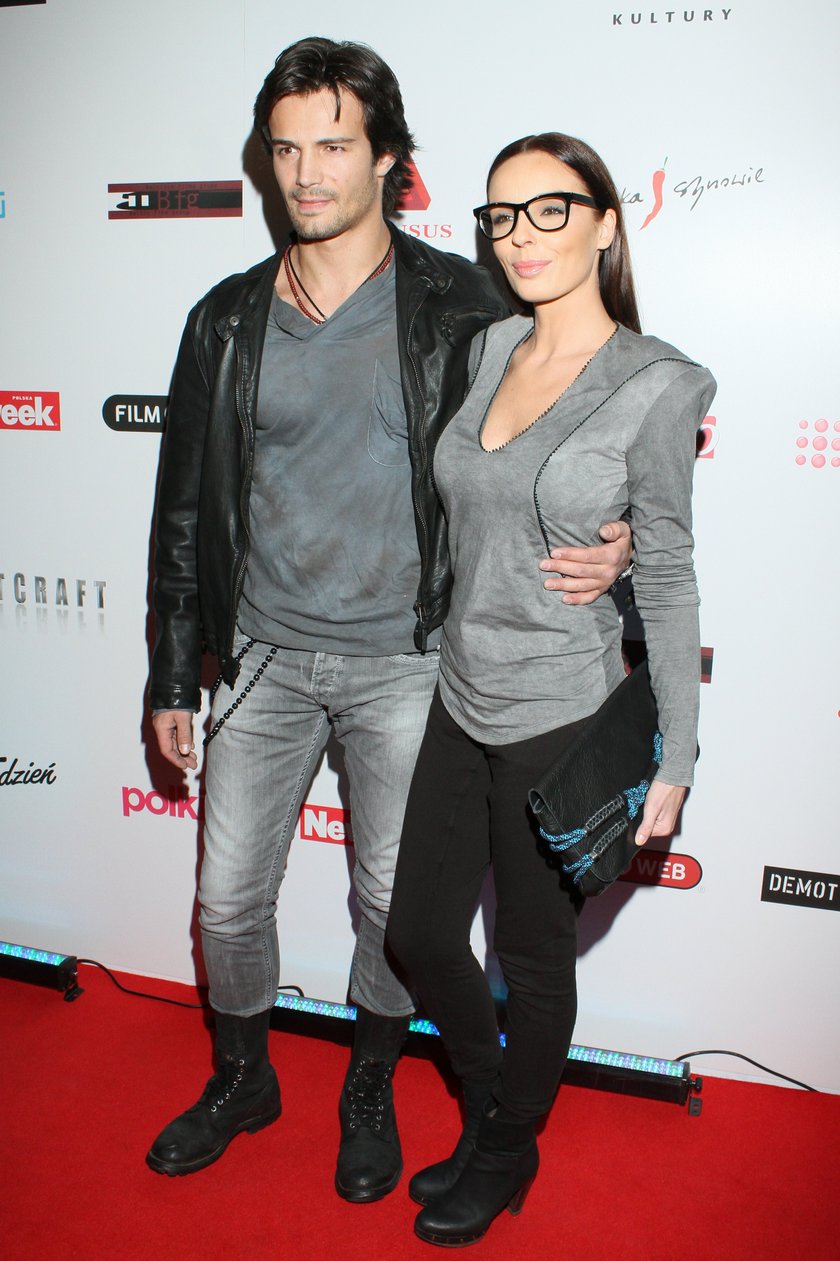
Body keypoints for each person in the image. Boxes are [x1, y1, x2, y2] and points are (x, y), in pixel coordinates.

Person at [146, 39, 632, 1201]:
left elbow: (573, 412)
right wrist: (171, 674)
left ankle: (369, 1079)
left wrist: (614, 531)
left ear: (388, 163)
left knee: (391, 907)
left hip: (411, 663)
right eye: (286, 149)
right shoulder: (224, 321)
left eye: (334, 145)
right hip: (261, 657)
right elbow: (184, 511)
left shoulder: (462, 304)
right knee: (226, 899)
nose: (306, 172)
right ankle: (244, 1076)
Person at [387, 132, 716, 1247]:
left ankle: (507, 1144)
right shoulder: (488, 349)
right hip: (459, 692)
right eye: (501, 215)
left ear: (606, 223)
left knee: (531, 961)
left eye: (550, 210)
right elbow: (470, 510)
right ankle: (496, 1110)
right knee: (419, 932)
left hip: (559, 717)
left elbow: (668, 573)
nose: (520, 237)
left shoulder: (660, 384)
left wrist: (676, 754)